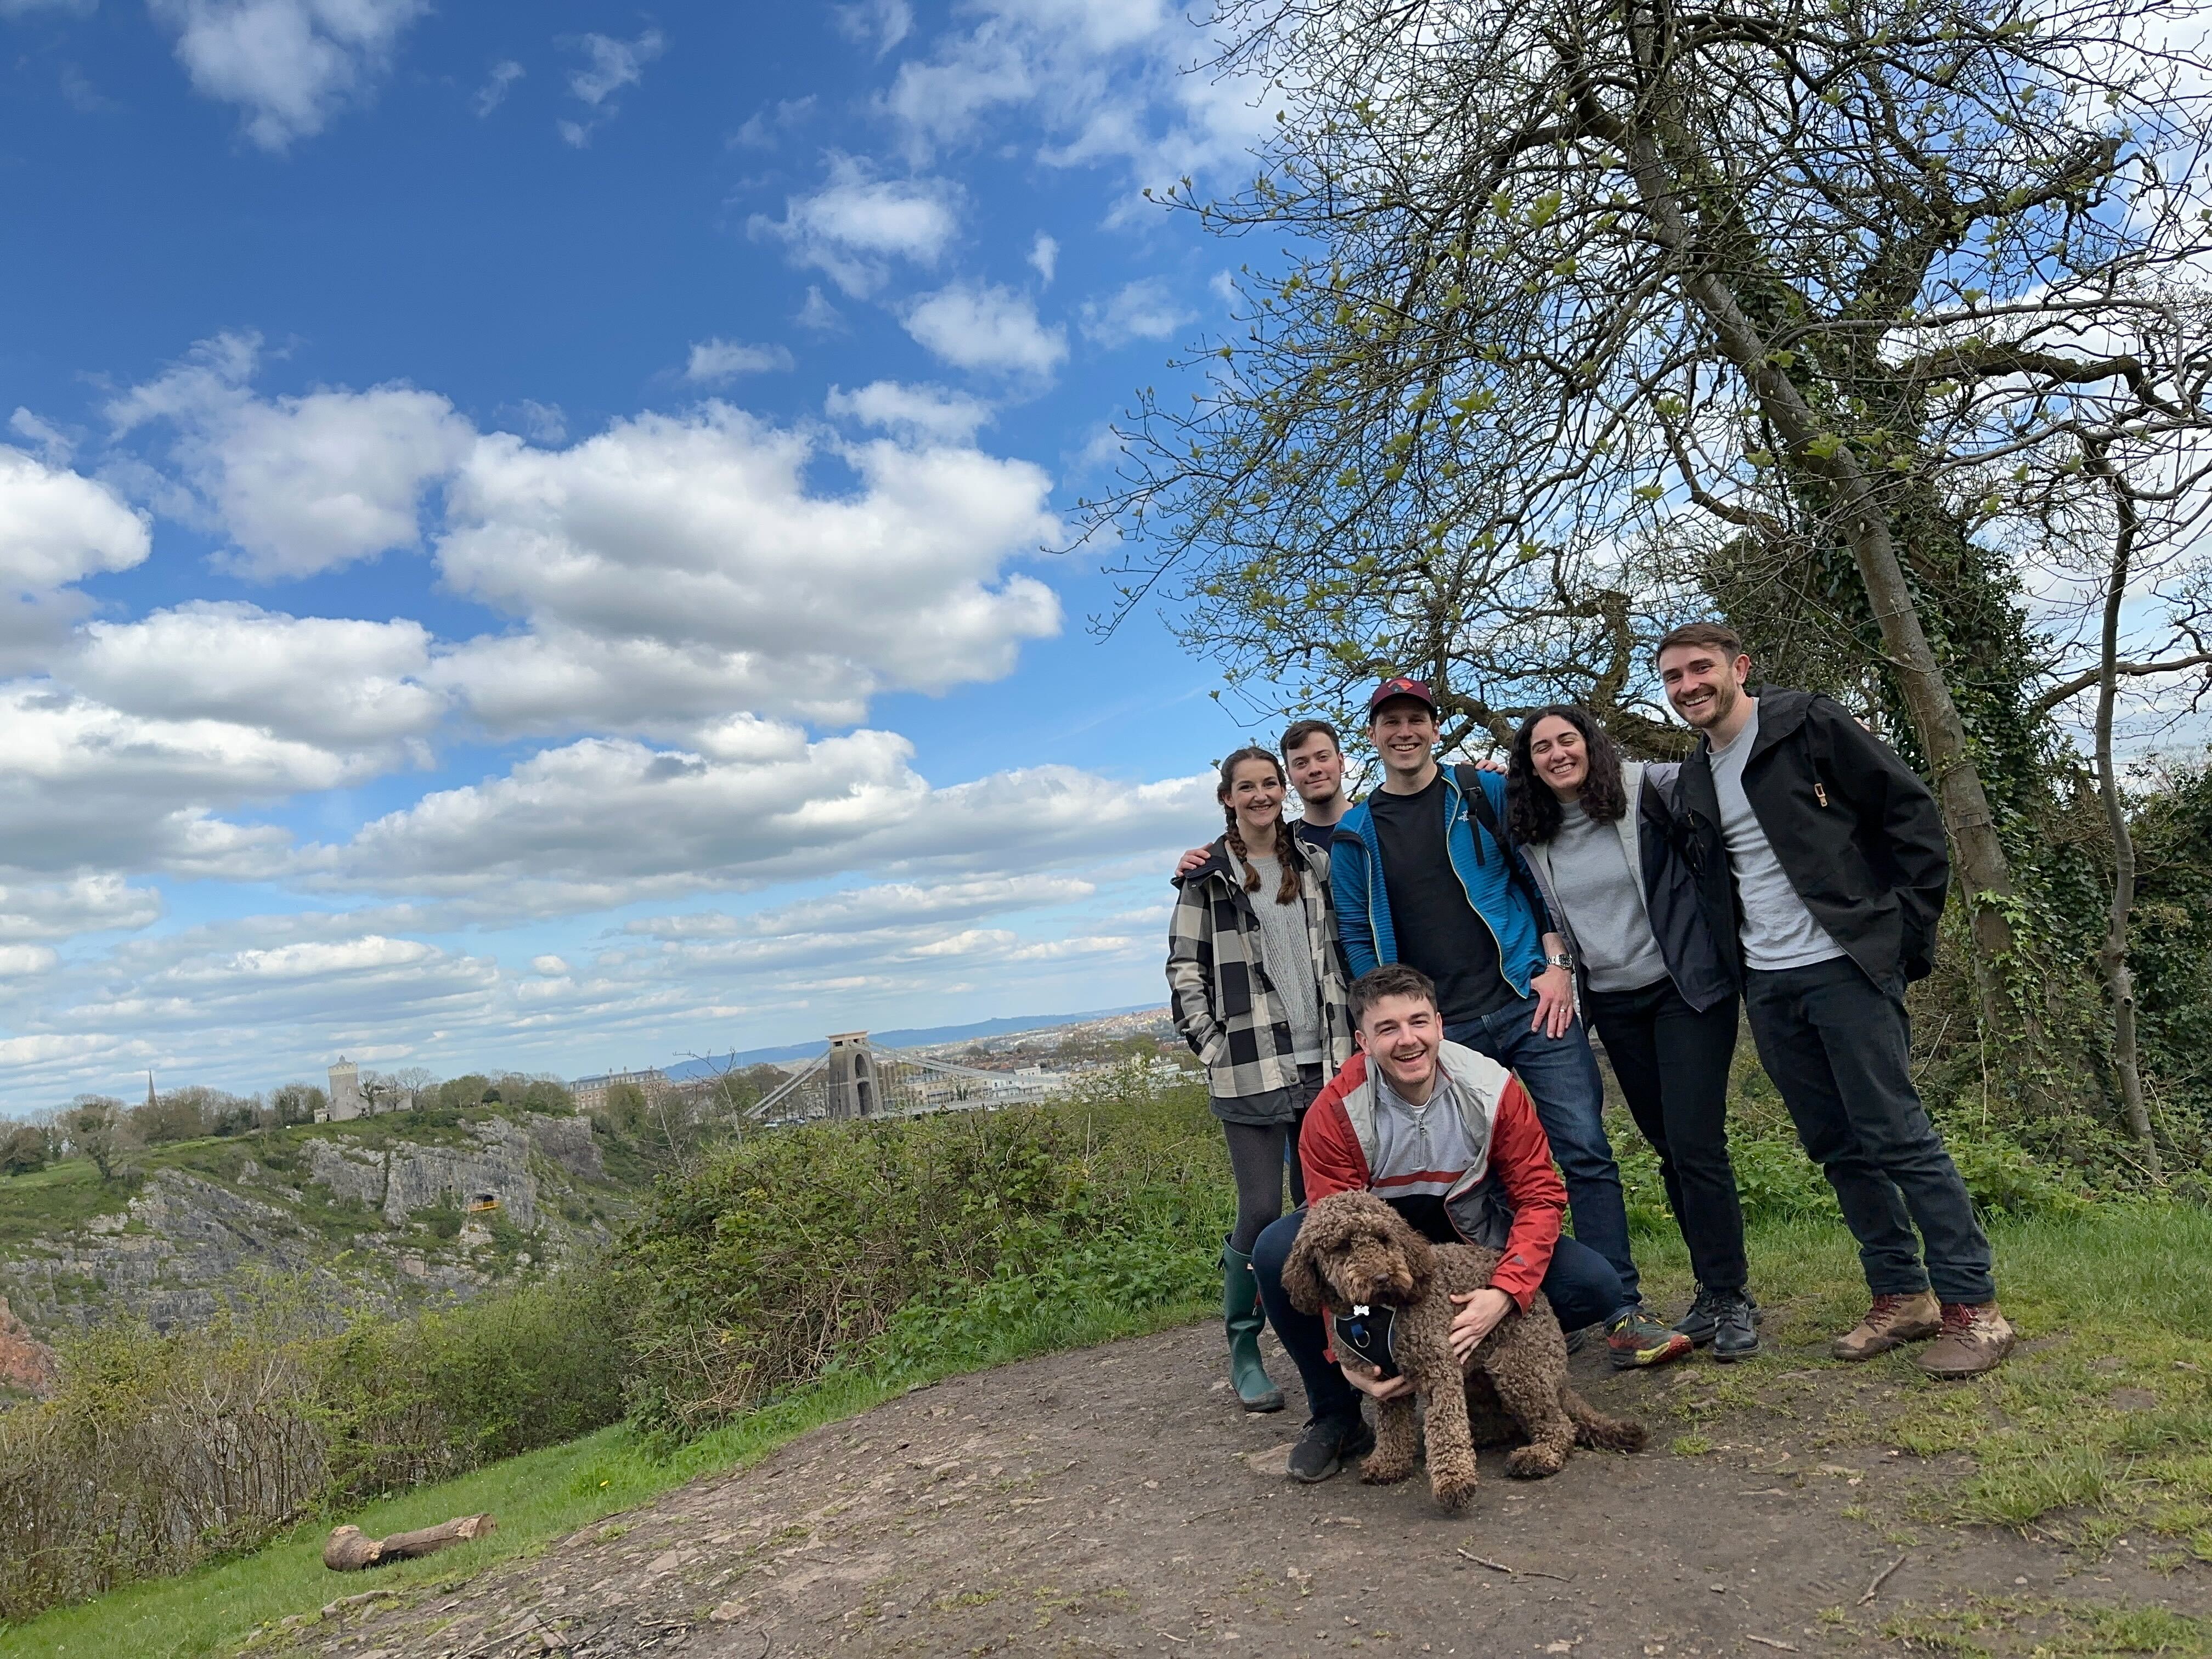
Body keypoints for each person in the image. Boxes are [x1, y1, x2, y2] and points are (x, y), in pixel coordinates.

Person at [1656, 622, 2013, 1379]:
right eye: (1674, 677)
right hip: (1771, 983)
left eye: (1700, 669)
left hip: (1847, 965)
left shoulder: (1807, 723)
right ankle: (1901, 1294)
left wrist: (1899, 941)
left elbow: (1911, 817)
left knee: (1899, 1134)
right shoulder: (1694, 779)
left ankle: (1974, 1308)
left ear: (1739, 666)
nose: (1689, 686)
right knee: (1835, 1145)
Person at [1329, 676, 1690, 1372]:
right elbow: (1355, 927)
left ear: (1434, 728)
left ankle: (1621, 1309)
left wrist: (1558, 959)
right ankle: (1524, 1303)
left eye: (1416, 719)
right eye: (1389, 722)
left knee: (1583, 1149)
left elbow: (1539, 871)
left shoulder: (1480, 793)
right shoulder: (1357, 833)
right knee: (1483, 1176)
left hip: (1530, 1004)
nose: (1404, 731)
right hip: (1445, 1033)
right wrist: (1376, 1016)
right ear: (1373, 737)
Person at [1251, 962, 1633, 1481]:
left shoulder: (1491, 1089)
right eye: (1388, 1029)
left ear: (1440, 1024)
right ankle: (1338, 1414)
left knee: (1595, 1284)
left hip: (1473, 1243)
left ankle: (1495, 1372)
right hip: (1379, 1249)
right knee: (1278, 1250)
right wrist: (1351, 1352)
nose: (1408, 1041)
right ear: (1363, 1040)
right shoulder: (1335, 1112)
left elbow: (1540, 1195)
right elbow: (1329, 1241)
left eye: (1419, 1022)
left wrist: (1504, 1292)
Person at [1507, 705, 1758, 1360]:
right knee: (1669, 1147)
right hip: (1615, 1005)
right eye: (1542, 748)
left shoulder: (1647, 789)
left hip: (1684, 989)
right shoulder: (1533, 834)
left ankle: (1730, 1295)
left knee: (1698, 1143)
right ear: (1528, 763)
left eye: (1568, 740)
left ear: (1592, 744)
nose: (1558, 754)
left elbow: (1723, 787)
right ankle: (1709, 1293)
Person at [1167, 746, 1355, 1412]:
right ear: (1227, 797)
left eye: (1269, 784)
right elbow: (1184, 968)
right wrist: (1212, 1046)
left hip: (1322, 1066)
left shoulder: (1314, 864)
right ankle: (1244, 1343)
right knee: (1262, 1211)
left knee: (1318, 1213)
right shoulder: (1206, 878)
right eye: (1245, 787)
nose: (1260, 795)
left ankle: (1329, 1341)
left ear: (1283, 790)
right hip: (1247, 1070)